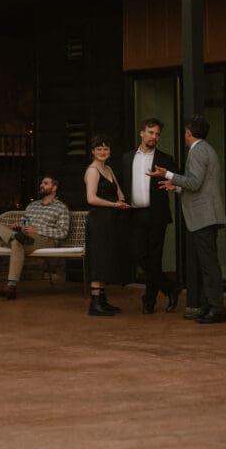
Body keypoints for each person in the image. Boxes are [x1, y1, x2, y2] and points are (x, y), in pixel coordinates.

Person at [148, 114, 226, 325]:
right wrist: (176, 187)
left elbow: (194, 183)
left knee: (209, 264)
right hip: (205, 215)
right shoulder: (204, 149)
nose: (184, 135)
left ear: (189, 133)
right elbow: (197, 185)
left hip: (204, 216)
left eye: (185, 132)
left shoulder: (198, 151)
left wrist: (168, 175)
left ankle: (217, 309)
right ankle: (209, 305)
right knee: (206, 264)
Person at [121, 118, 178, 315]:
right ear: (142, 133)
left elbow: (178, 183)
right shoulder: (127, 158)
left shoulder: (166, 159)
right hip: (135, 214)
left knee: (155, 259)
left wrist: (173, 185)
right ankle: (169, 287)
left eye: (157, 134)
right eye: (150, 132)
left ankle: (149, 301)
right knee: (139, 255)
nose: (154, 136)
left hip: (157, 215)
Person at [0, 174, 69, 300]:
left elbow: (63, 232)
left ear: (54, 188)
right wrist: (18, 226)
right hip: (25, 236)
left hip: (44, 240)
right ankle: (14, 235)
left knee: (17, 242)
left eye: (45, 183)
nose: (41, 185)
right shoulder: (33, 206)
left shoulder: (61, 208)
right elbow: (24, 222)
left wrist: (38, 229)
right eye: (41, 183)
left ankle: (11, 287)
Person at [84, 134, 130, 316]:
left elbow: (119, 192)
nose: (103, 152)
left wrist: (122, 201)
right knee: (98, 258)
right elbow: (91, 198)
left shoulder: (109, 169)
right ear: (93, 152)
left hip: (111, 220)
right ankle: (94, 303)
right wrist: (114, 204)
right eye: (99, 149)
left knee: (106, 258)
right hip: (99, 221)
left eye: (106, 149)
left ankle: (102, 299)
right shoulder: (93, 171)